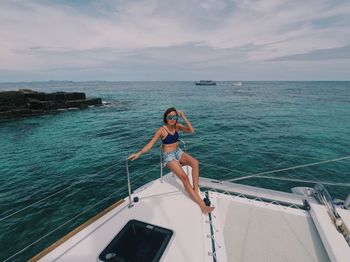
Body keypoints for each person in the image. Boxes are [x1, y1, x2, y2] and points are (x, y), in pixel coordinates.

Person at [128, 107, 215, 214]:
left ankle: (195, 191)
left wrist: (183, 116)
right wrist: (139, 153)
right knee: (184, 178)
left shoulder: (177, 126)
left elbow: (192, 131)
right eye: (170, 117)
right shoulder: (162, 130)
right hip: (168, 156)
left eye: (174, 116)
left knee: (195, 162)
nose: (172, 119)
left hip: (178, 152)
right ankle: (202, 206)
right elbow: (151, 143)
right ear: (166, 118)